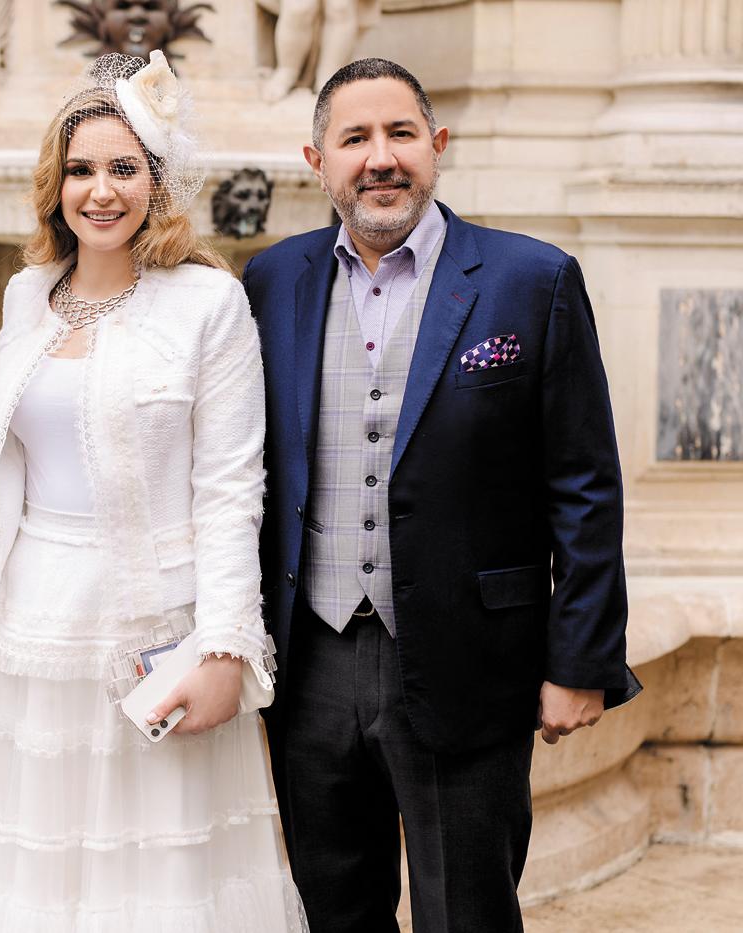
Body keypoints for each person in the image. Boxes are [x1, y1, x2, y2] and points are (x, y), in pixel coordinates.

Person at [244, 58, 642, 933]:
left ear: (438, 146)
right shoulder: (271, 282)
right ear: (317, 160)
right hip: (311, 663)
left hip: (471, 657)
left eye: (400, 134)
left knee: (469, 912)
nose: (380, 158)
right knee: (334, 908)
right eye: (355, 139)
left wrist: (579, 662)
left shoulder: (530, 280)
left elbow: (584, 485)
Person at [0, 51, 305, 932]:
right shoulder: (23, 297)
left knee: (159, 872)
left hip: (159, 626)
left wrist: (226, 649)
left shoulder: (207, 302)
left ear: (156, 181)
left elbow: (234, 487)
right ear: (55, 184)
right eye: (82, 169)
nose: (101, 190)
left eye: (124, 168)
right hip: (29, 625)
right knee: (35, 866)